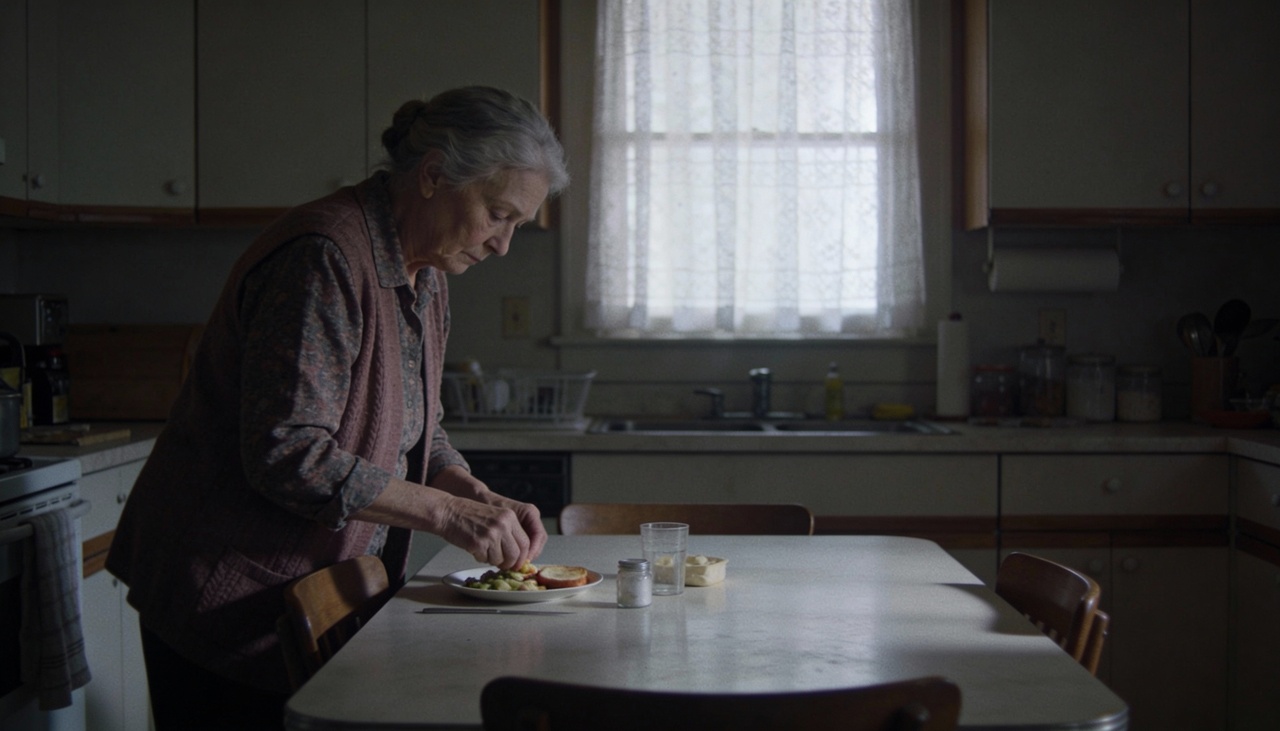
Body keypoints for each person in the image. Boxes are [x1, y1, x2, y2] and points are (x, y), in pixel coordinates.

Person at [106, 86, 569, 730]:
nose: (503, 245)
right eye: (498, 214)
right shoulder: (322, 256)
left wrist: (473, 493)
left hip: (306, 598)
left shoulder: (426, 274)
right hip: (224, 592)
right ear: (434, 175)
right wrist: (447, 513)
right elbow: (287, 452)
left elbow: (421, 430)